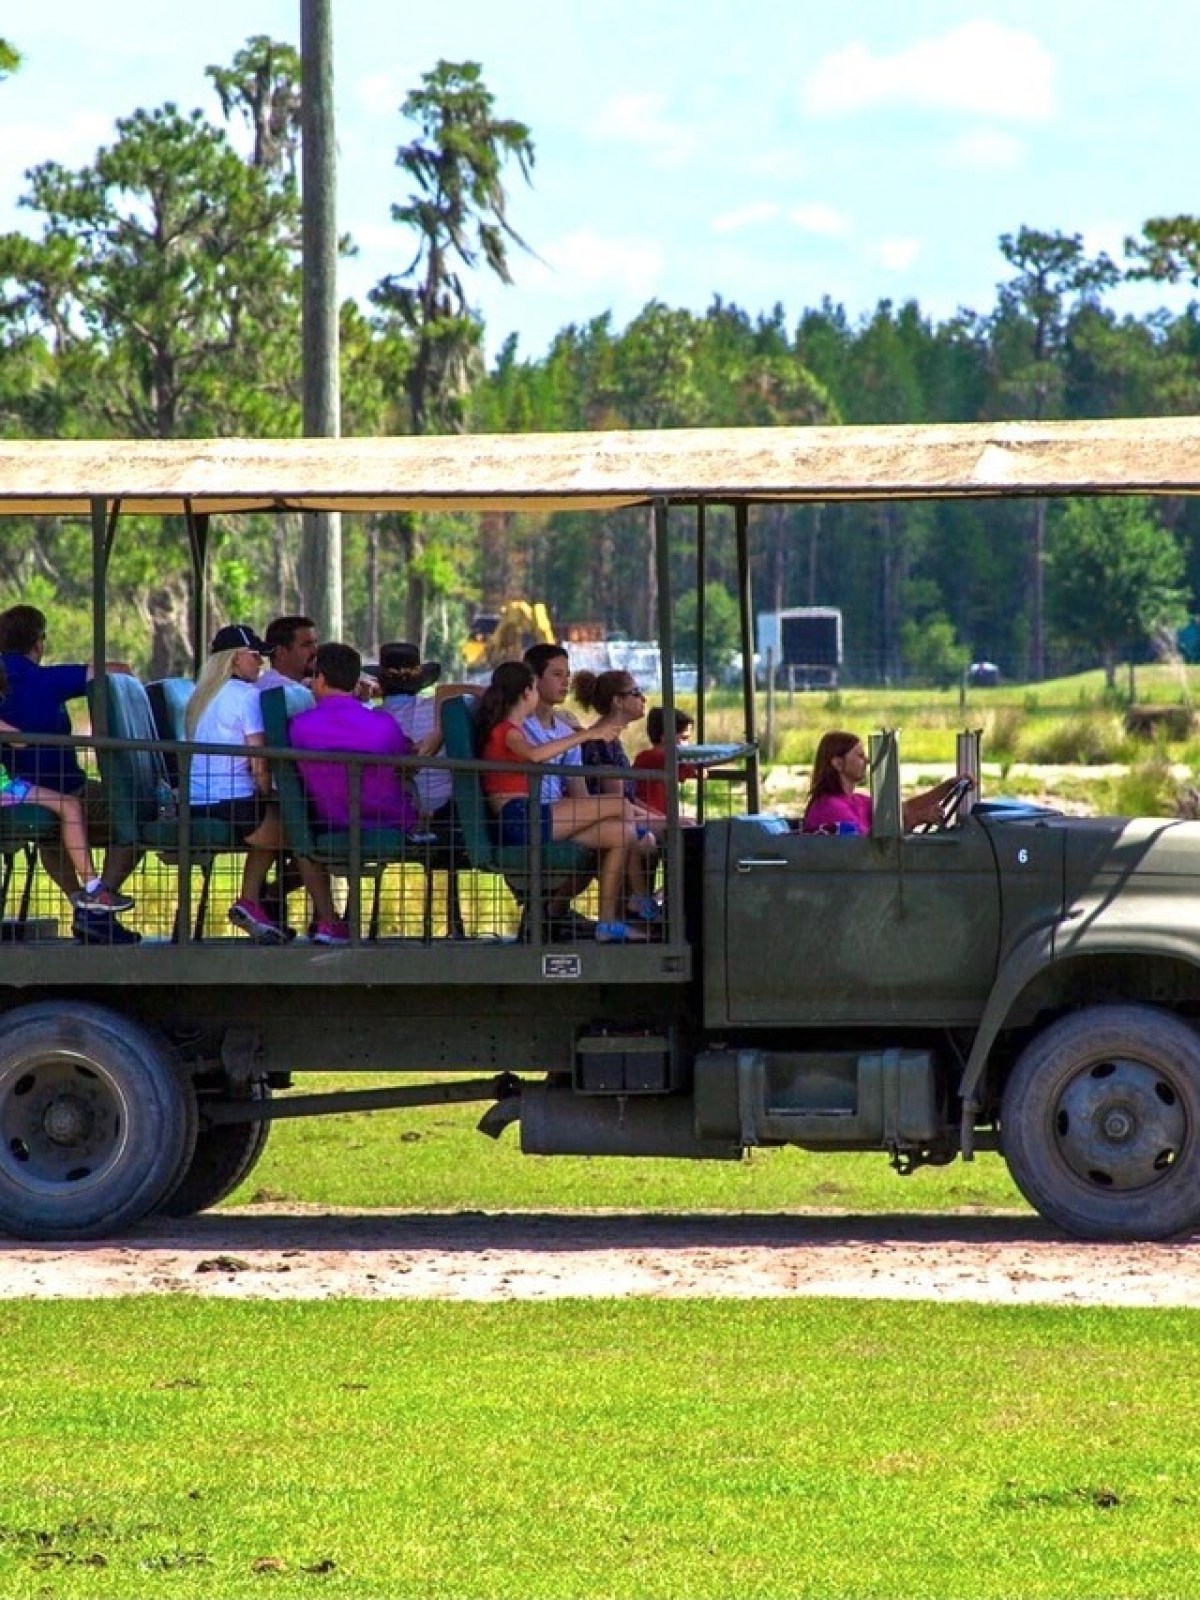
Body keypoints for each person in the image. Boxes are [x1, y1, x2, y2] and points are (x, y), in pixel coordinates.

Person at [476, 660, 658, 944]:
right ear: (527, 692)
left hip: (534, 815)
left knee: (621, 834)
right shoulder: (507, 731)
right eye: (536, 688)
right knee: (619, 806)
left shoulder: (517, 729)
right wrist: (585, 735)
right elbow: (536, 756)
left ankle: (608, 922)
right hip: (521, 817)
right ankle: (638, 895)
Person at [187, 624, 343, 945]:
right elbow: (259, 760)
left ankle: (252, 902)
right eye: (255, 656)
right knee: (303, 838)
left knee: (279, 828)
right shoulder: (248, 696)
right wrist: (267, 791)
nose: (261, 663)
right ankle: (328, 920)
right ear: (233, 659)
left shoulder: (201, 697)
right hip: (235, 803)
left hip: (199, 801)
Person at [0, 602, 141, 943]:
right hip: (62, 787)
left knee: (55, 827)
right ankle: (96, 902)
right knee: (135, 814)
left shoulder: (9, 679)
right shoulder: (47, 679)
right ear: (39, 643)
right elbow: (119, 670)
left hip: (24, 786)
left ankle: (86, 905)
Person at [0, 660, 133, 914]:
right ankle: (93, 888)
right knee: (70, 805)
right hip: (4, 788)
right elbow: (18, 741)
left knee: (68, 805)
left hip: (7, 784)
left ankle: (91, 891)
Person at [290, 641, 421, 835]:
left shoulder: (299, 726)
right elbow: (407, 762)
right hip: (390, 822)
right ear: (355, 682)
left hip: (329, 822)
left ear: (321, 679)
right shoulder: (384, 724)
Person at [374, 640, 480, 824]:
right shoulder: (439, 707)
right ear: (419, 680)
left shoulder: (374, 717)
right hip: (446, 809)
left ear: (381, 682)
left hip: (398, 812)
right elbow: (478, 693)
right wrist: (440, 727)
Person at [802, 730, 971, 835]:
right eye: (860, 756)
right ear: (838, 763)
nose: (867, 761)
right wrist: (916, 819)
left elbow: (904, 809)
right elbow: (865, 847)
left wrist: (947, 787)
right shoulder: (829, 806)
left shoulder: (858, 801)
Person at [632, 705, 697, 816]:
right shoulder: (653, 757)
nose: (687, 745)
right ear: (665, 737)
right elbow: (690, 767)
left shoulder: (650, 758)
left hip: (654, 817)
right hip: (649, 819)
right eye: (684, 738)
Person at [256, 615, 318, 702]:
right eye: (306, 645)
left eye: (315, 644)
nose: (315, 651)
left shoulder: (301, 686)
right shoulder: (277, 690)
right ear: (280, 652)